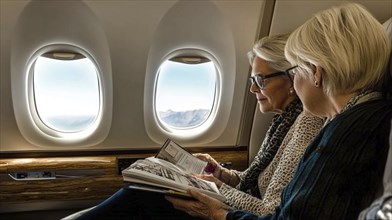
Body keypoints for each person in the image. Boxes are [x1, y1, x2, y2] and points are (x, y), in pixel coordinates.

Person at [166, 3, 392, 220]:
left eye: (295, 71)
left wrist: (217, 213)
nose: (294, 82)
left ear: (315, 72)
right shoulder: (352, 119)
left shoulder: (345, 131)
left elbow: (280, 212)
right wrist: (221, 178)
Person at [71, 34, 323, 219]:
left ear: (290, 78)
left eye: (260, 80)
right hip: (235, 204)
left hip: (235, 215)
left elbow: (269, 209)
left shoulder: (306, 125)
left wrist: (215, 188)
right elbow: (255, 181)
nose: (253, 89)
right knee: (142, 190)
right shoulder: (282, 122)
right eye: (252, 80)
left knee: (144, 196)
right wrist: (219, 173)